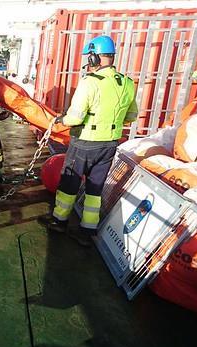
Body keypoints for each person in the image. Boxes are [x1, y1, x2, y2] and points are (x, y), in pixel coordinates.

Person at [38, 35, 138, 246]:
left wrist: (60, 120)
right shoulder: (127, 83)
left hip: (84, 142)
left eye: (89, 57)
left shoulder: (89, 82)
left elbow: (75, 118)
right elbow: (131, 116)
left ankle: (59, 221)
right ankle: (87, 230)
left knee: (69, 183)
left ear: (95, 58)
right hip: (110, 144)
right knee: (95, 188)